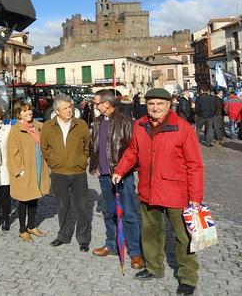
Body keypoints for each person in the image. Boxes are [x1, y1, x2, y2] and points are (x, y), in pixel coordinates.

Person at [112, 88, 204, 296]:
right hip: (148, 188)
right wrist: (120, 170)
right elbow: (133, 151)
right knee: (151, 232)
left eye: (159, 104)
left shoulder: (182, 127)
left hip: (176, 191)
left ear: (168, 104)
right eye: (151, 104)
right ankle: (154, 267)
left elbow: (195, 165)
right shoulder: (140, 124)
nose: (155, 108)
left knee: (183, 237)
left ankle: (188, 277)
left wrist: (196, 197)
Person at [88, 90, 143, 268]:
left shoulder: (126, 122)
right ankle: (111, 244)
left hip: (122, 176)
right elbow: (94, 147)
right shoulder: (96, 123)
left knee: (129, 213)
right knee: (109, 212)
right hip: (104, 176)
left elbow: (133, 150)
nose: (94, 106)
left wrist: (122, 170)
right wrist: (94, 166)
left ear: (106, 104)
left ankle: (135, 252)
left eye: (96, 103)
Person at [40, 94, 91, 251]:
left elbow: (87, 146)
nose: (70, 110)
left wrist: (82, 160)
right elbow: (45, 148)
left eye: (70, 107)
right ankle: (63, 235)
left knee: (82, 206)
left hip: (78, 172)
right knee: (63, 206)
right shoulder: (48, 126)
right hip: (58, 172)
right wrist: (54, 162)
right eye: (66, 108)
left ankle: (83, 239)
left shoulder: (81, 124)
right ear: (57, 111)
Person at [7, 100, 50, 242]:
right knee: (23, 200)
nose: (29, 112)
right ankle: (22, 230)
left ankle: (31, 226)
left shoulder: (38, 126)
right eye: (24, 111)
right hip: (25, 169)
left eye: (29, 110)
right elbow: (12, 153)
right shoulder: (15, 130)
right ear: (18, 114)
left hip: (37, 166)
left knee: (34, 197)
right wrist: (19, 170)